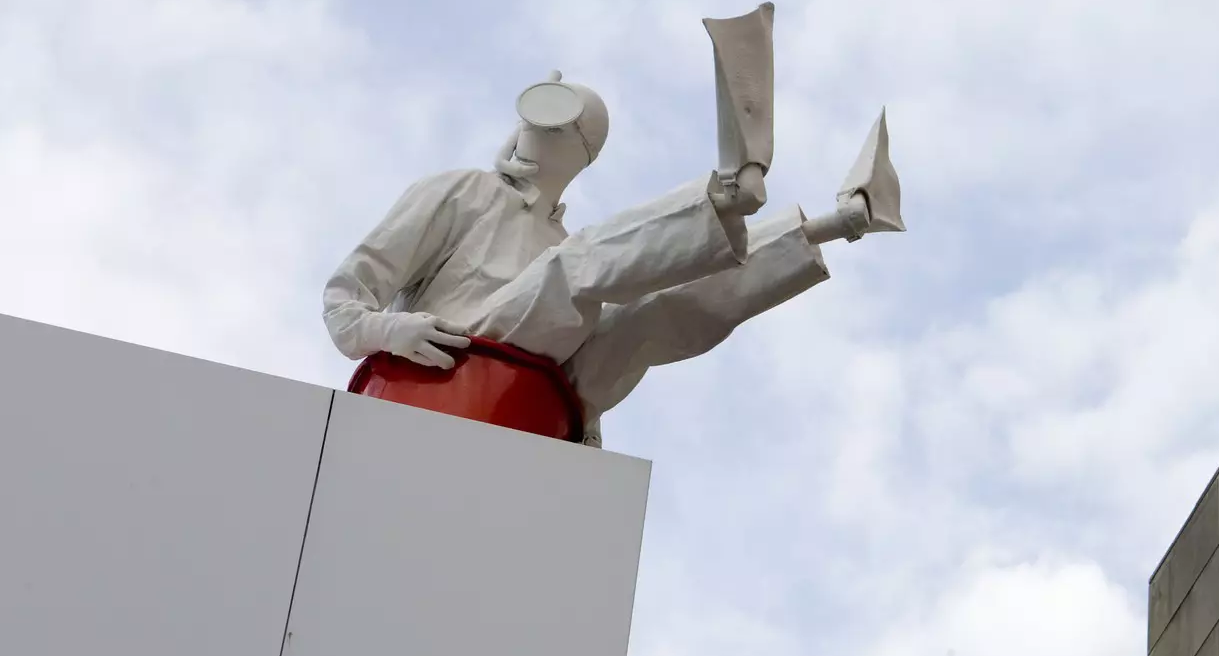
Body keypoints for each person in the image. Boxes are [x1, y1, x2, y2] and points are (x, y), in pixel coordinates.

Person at [322, 74, 891, 446]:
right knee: (578, 266)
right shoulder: (464, 191)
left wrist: (586, 453)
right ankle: (723, 198)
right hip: (448, 367)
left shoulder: (559, 243)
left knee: (653, 311)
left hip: (531, 400)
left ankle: (829, 225)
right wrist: (391, 330)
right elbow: (344, 303)